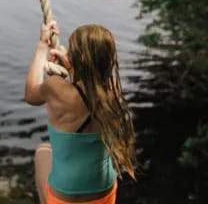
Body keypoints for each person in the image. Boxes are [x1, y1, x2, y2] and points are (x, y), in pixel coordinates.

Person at [26, 20, 137, 204]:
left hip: (66, 198)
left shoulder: (56, 88)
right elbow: (90, 87)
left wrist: (41, 48)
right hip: (104, 192)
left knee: (42, 152)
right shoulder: (114, 90)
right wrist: (70, 67)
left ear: (77, 59)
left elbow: (31, 94)